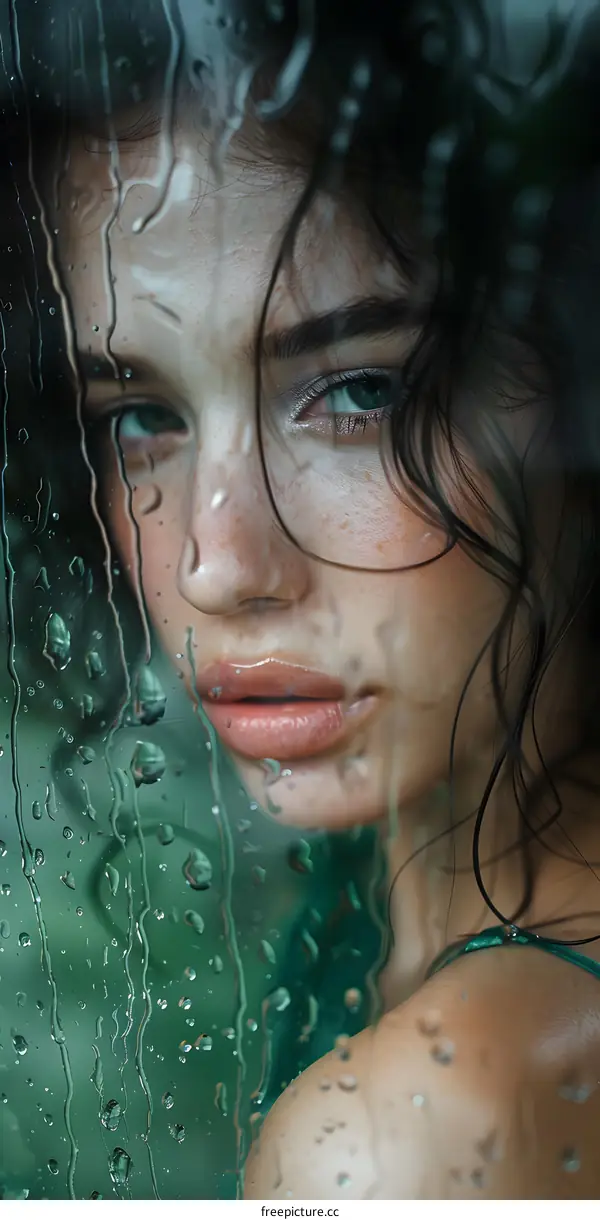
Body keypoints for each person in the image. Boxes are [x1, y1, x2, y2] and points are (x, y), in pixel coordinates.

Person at [12, 0, 600, 1200]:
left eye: (362, 393)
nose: (217, 565)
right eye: (142, 416)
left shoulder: (403, 1133)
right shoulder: (387, 879)